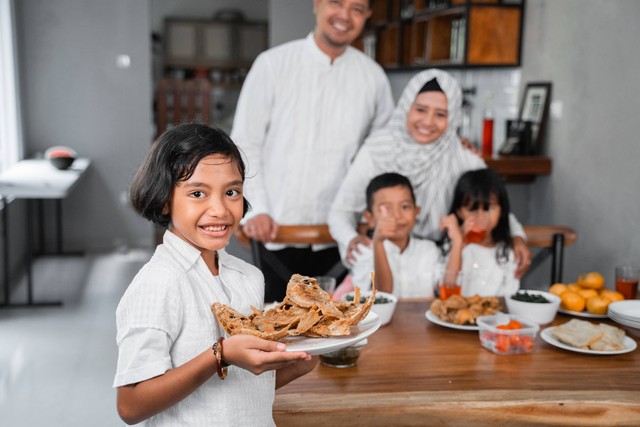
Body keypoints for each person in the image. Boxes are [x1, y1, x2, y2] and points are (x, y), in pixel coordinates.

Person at [113, 124, 317, 426]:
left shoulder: (248, 277)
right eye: (198, 193)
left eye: (231, 192)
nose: (220, 209)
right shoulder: (158, 283)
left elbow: (242, 391)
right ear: (165, 200)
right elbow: (131, 405)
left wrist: (302, 361)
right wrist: (219, 355)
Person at [231, 0, 394, 302]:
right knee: (280, 332)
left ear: (367, 16)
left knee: (342, 334)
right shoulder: (273, 64)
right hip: (276, 228)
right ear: (317, 3)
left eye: (357, 8)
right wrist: (257, 208)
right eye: (336, 2)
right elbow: (245, 142)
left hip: (344, 234)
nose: (344, 15)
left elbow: (384, 152)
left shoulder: (374, 78)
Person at [328, 68, 532, 277]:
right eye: (421, 110)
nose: (427, 121)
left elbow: (494, 202)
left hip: (440, 268)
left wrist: (517, 236)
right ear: (407, 107)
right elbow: (340, 212)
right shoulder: (377, 150)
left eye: (441, 114)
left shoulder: (462, 156)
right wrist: (350, 238)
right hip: (386, 259)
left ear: (453, 118)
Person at [345, 172, 461, 299]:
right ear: (370, 218)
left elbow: (449, 286)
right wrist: (378, 242)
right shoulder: (363, 252)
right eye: (386, 209)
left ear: (416, 212)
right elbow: (383, 296)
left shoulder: (429, 250)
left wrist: (458, 242)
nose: (397, 216)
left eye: (405, 207)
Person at [442, 168, 520, 297]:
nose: (480, 217)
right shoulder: (452, 246)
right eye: (472, 209)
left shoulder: (507, 251)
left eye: (488, 208)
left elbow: (510, 294)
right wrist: (458, 243)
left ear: (501, 211)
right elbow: (449, 286)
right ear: (459, 212)